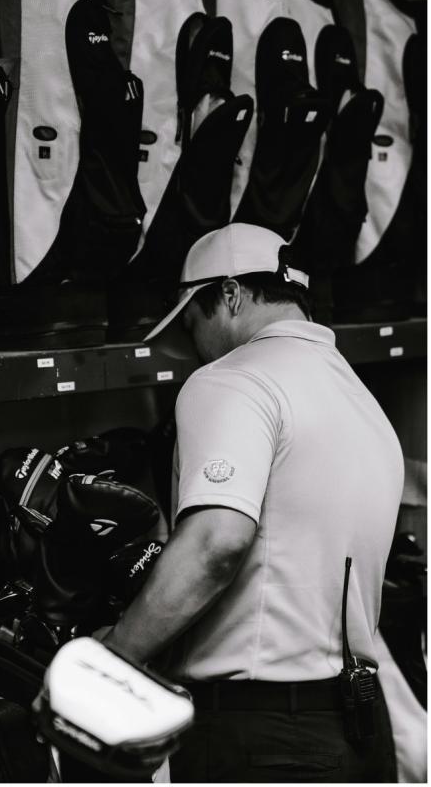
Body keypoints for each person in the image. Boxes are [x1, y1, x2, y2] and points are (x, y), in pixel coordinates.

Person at [102, 223, 403, 782]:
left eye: (193, 317)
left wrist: (114, 655)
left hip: (262, 736)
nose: (192, 340)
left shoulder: (232, 381)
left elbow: (217, 544)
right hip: (360, 731)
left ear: (231, 294)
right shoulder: (361, 400)